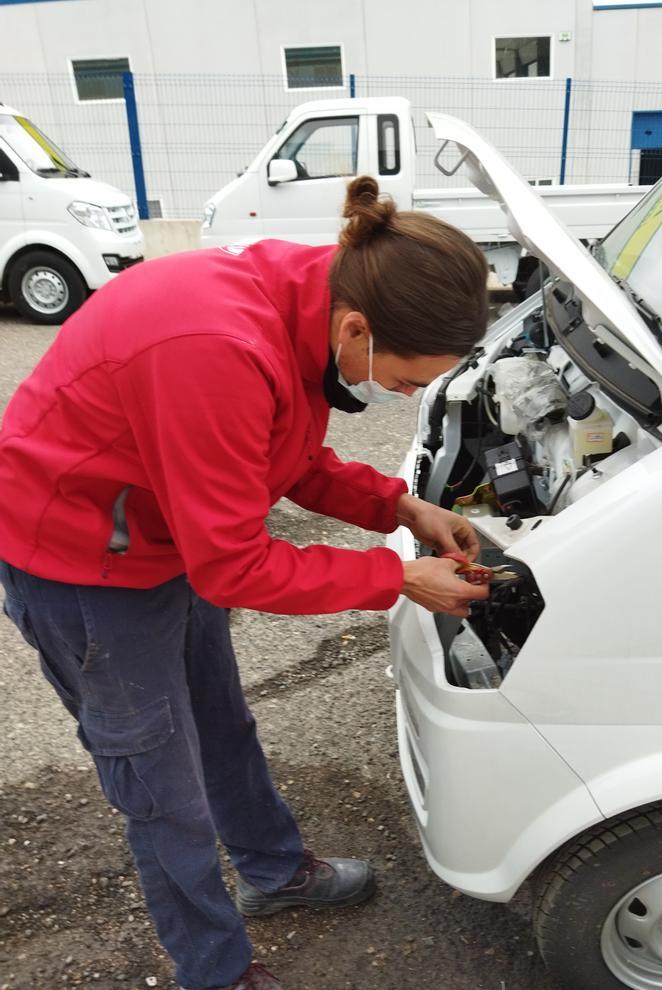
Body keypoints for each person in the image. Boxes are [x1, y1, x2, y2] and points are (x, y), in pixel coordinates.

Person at [0, 175, 491, 990]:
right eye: (406, 381)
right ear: (360, 328)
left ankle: (272, 873)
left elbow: (285, 455)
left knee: (221, 726)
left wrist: (401, 508)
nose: (402, 395)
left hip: (164, 533)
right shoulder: (217, 347)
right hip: (83, 563)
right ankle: (215, 971)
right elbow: (232, 564)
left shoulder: (307, 303)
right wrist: (397, 577)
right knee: (162, 790)